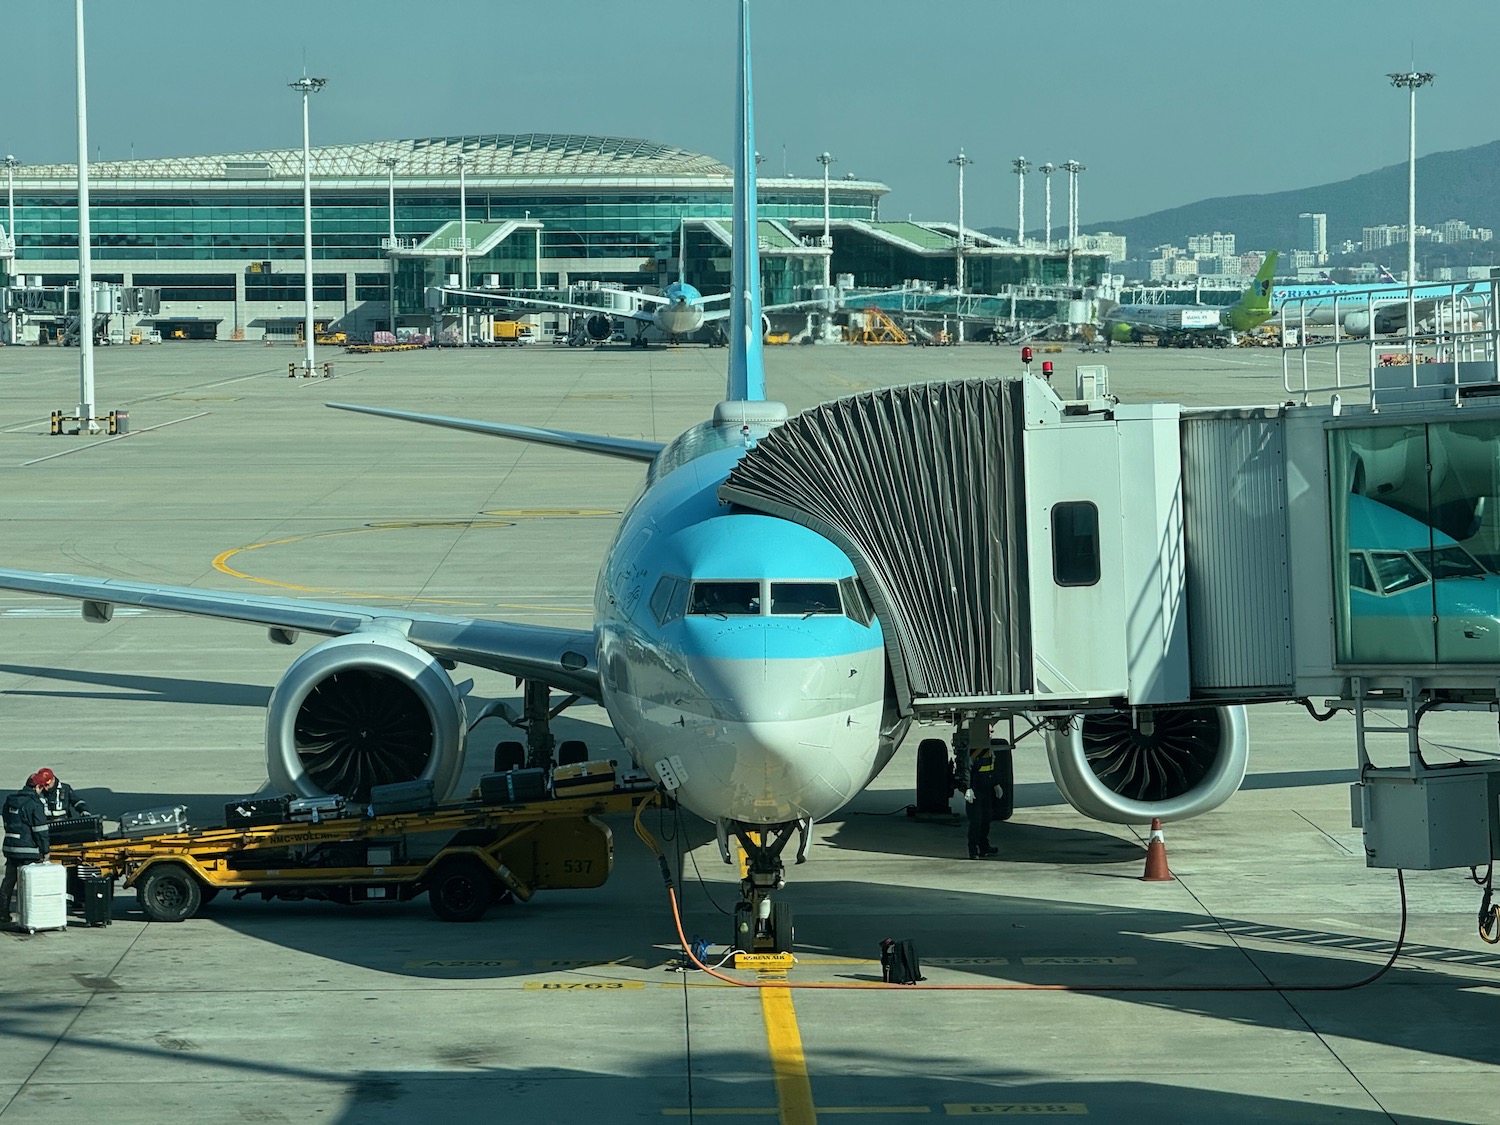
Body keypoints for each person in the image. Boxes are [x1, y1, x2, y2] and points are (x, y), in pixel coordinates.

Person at [1, 771, 53, 923]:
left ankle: (2, 913)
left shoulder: (11, 800)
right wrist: (45, 851)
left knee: (8, 882)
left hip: (10, 848)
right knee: (28, 884)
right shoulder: (34, 804)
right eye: (41, 788)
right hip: (28, 851)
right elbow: (40, 831)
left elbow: (6, 822)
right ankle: (27, 915)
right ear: (37, 787)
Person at [954, 731, 1004, 859]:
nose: (991, 734)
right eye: (989, 732)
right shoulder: (973, 749)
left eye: (992, 732)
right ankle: (973, 850)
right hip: (976, 791)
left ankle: (984, 846)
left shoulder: (987, 748)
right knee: (976, 822)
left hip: (987, 789)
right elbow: (966, 768)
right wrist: (967, 788)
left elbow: (991, 768)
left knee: (986, 819)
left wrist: (996, 784)